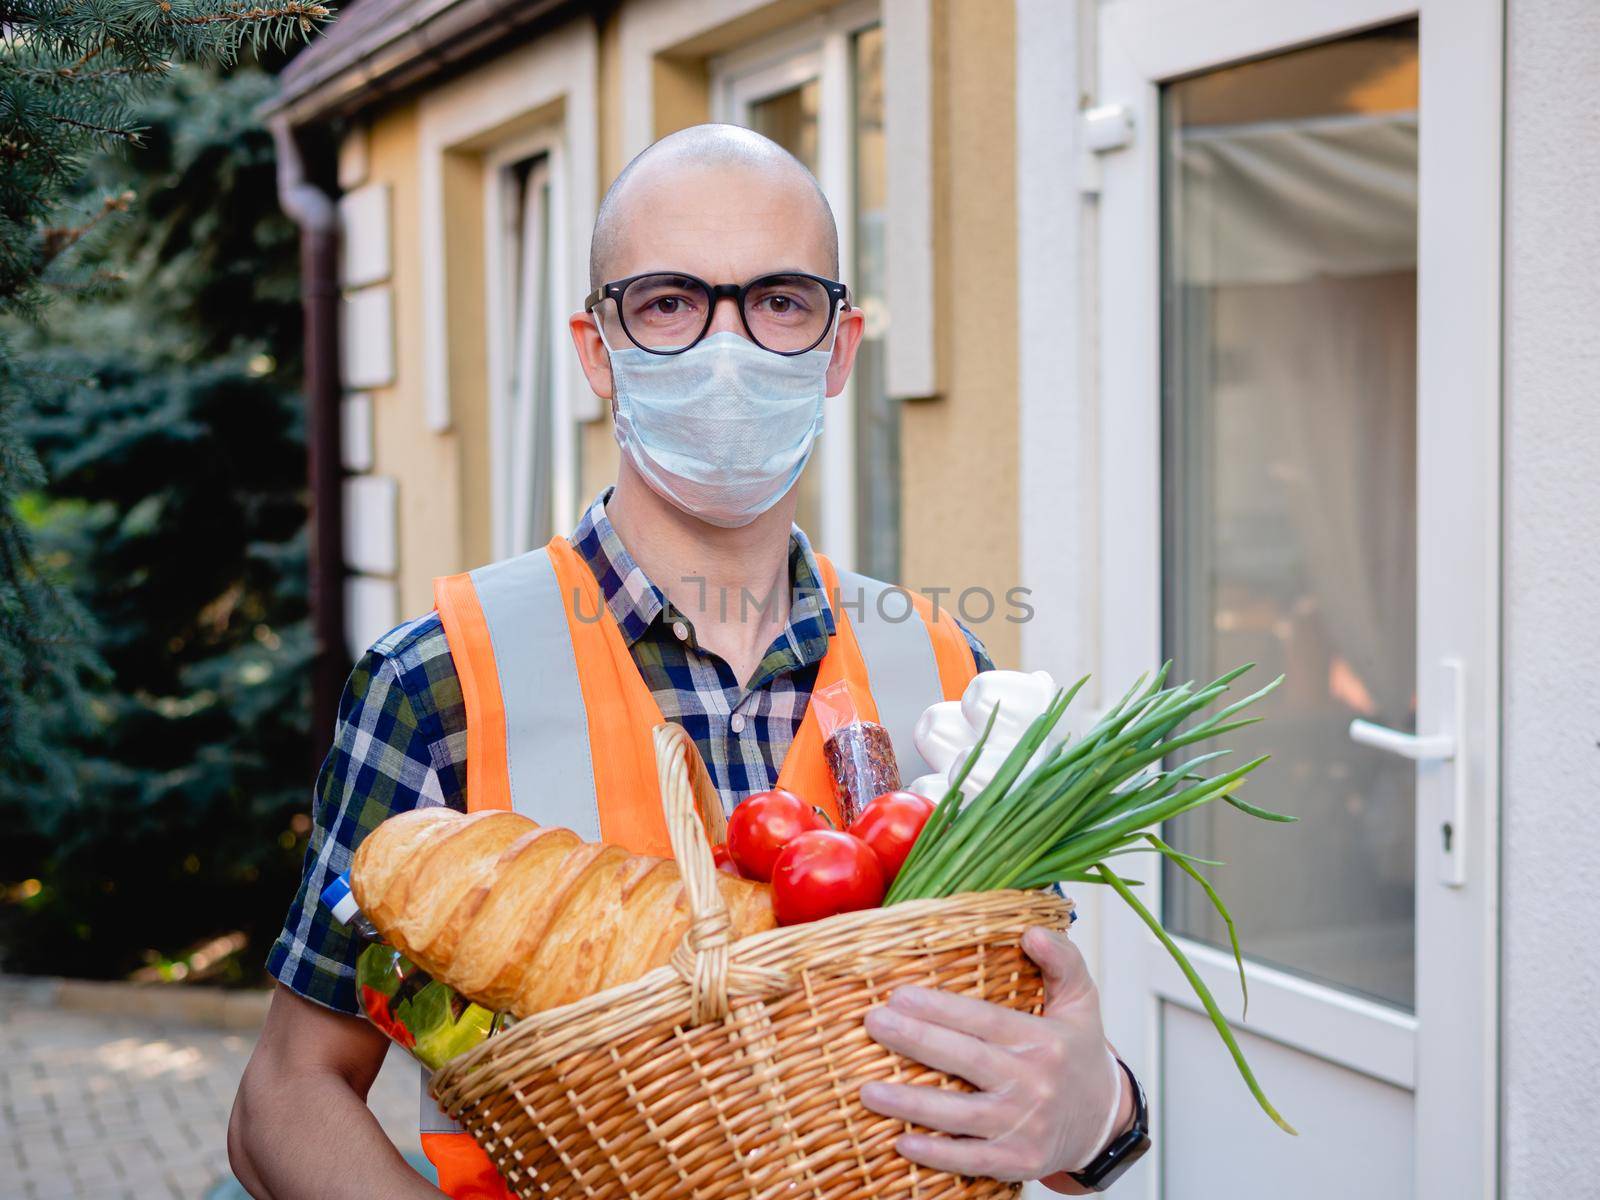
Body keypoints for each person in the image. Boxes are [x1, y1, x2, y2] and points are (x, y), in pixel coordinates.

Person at [229, 123, 1144, 1199]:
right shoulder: (439, 680)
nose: (728, 348)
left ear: (838, 347)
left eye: (779, 301)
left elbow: (1022, 1063)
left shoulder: (948, 674)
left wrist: (1098, 1116)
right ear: (594, 351)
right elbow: (286, 1100)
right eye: (668, 303)